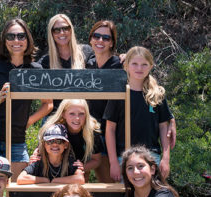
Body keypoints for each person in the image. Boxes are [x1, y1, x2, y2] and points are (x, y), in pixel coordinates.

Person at [0, 18, 53, 197]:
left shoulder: (35, 69)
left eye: (21, 36)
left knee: (15, 194)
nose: (16, 40)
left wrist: (28, 122)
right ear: (4, 40)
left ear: (27, 39)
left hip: (16, 139)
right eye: (11, 36)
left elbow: (48, 104)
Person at [104, 46, 175, 182]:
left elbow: (163, 128)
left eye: (144, 64)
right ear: (126, 66)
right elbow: (110, 129)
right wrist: (113, 162)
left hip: (151, 156)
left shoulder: (157, 94)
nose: (139, 68)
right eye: (135, 64)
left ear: (151, 66)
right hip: (124, 157)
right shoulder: (118, 94)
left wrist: (166, 159)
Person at [86, 20, 123, 183]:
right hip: (87, 131)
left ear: (112, 43)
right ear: (91, 39)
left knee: (109, 184)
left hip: (109, 132)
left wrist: (169, 119)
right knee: (78, 182)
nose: (100, 41)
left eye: (106, 38)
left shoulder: (120, 65)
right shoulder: (88, 63)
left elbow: (145, 81)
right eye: (97, 36)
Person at [38, 14, 93, 115]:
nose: (62, 32)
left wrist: (124, 58)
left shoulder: (87, 52)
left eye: (65, 28)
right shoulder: (46, 61)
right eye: (56, 30)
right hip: (57, 117)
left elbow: (105, 63)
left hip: (83, 115)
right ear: (51, 34)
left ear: (71, 29)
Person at [17, 124, 85, 184]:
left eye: (59, 141)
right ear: (44, 145)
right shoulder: (39, 162)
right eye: (50, 141)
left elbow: (80, 179)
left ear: (66, 145)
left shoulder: (70, 162)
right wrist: (45, 180)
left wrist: (55, 181)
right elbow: (21, 179)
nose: (54, 144)